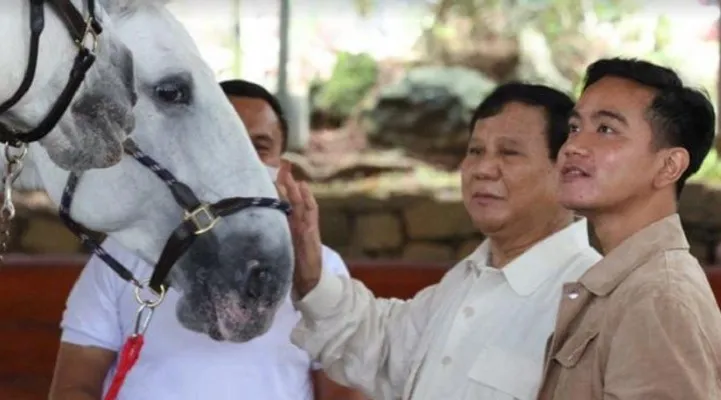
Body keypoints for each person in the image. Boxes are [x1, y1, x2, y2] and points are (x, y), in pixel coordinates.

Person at [276, 82, 603, 400]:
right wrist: (311, 273)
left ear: (566, 170)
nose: (483, 169)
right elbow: (384, 347)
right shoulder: (465, 280)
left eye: (509, 152)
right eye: (475, 151)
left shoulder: (591, 300)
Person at [49, 79, 351, 400]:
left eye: (259, 147)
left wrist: (315, 288)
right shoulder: (123, 256)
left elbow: (344, 394)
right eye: (222, 141)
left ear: (283, 168)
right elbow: (74, 387)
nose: (242, 162)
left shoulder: (321, 269)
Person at [537, 58, 721, 399]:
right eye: (574, 128)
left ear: (669, 166)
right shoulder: (623, 283)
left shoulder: (659, 298)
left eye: (606, 129)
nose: (573, 146)